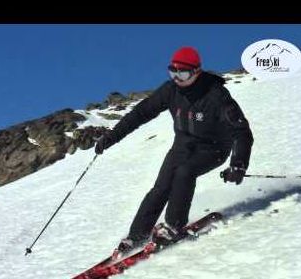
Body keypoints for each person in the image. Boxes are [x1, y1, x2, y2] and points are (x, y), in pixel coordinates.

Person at [94, 46, 254, 255]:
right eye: (173, 71)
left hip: (213, 148)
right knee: (160, 188)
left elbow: (242, 131)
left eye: (183, 73)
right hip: (182, 145)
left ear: (197, 71)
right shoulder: (171, 90)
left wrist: (238, 163)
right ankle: (136, 236)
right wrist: (111, 138)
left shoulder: (216, 95)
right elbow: (140, 113)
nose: (177, 78)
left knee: (184, 172)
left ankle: (173, 227)